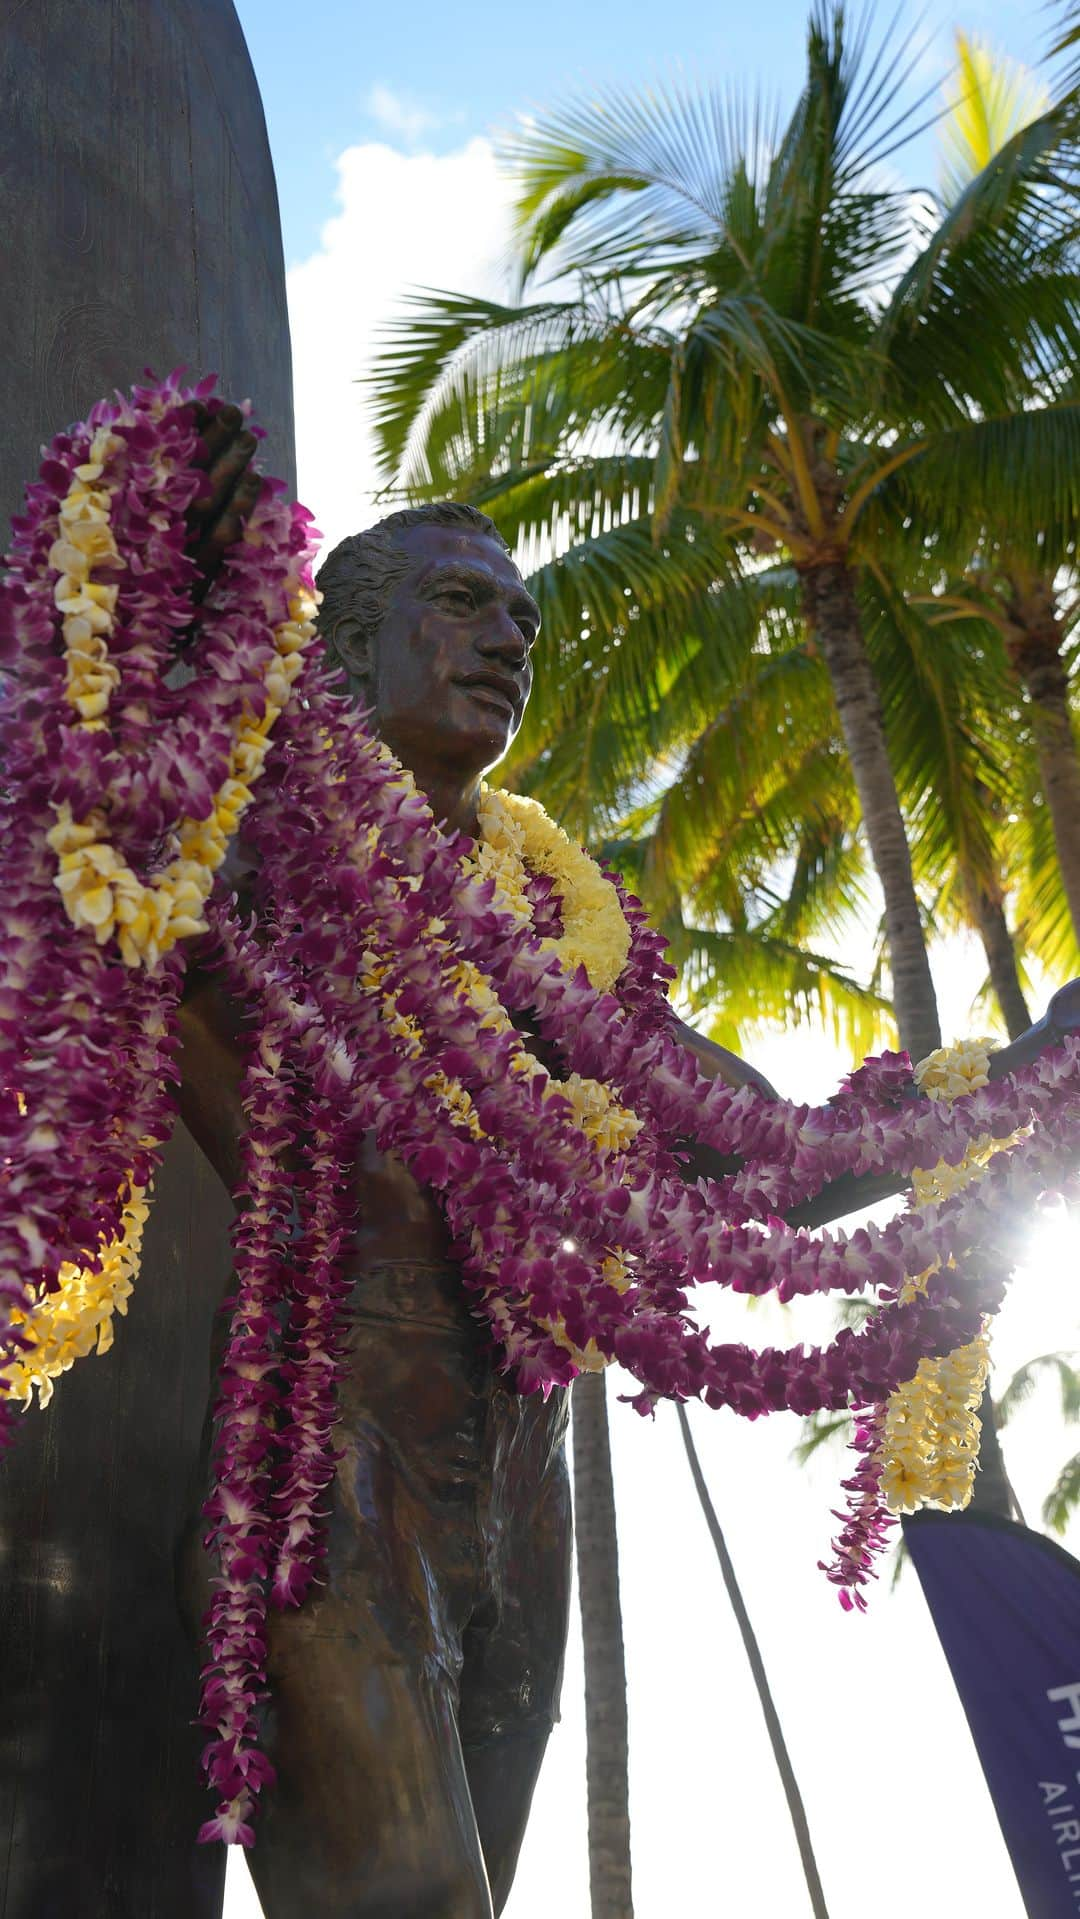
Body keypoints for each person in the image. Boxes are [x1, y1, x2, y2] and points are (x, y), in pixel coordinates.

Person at [175, 459, 1080, 1918]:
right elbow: (83, 779)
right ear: (339, 650)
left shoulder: (552, 919)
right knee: (414, 1900)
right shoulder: (239, 843)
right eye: (459, 606)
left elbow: (761, 1155)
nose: (504, 645)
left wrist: (1028, 1076)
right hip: (330, 1458)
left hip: (526, 1488)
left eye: (524, 627)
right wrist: (185, 553)